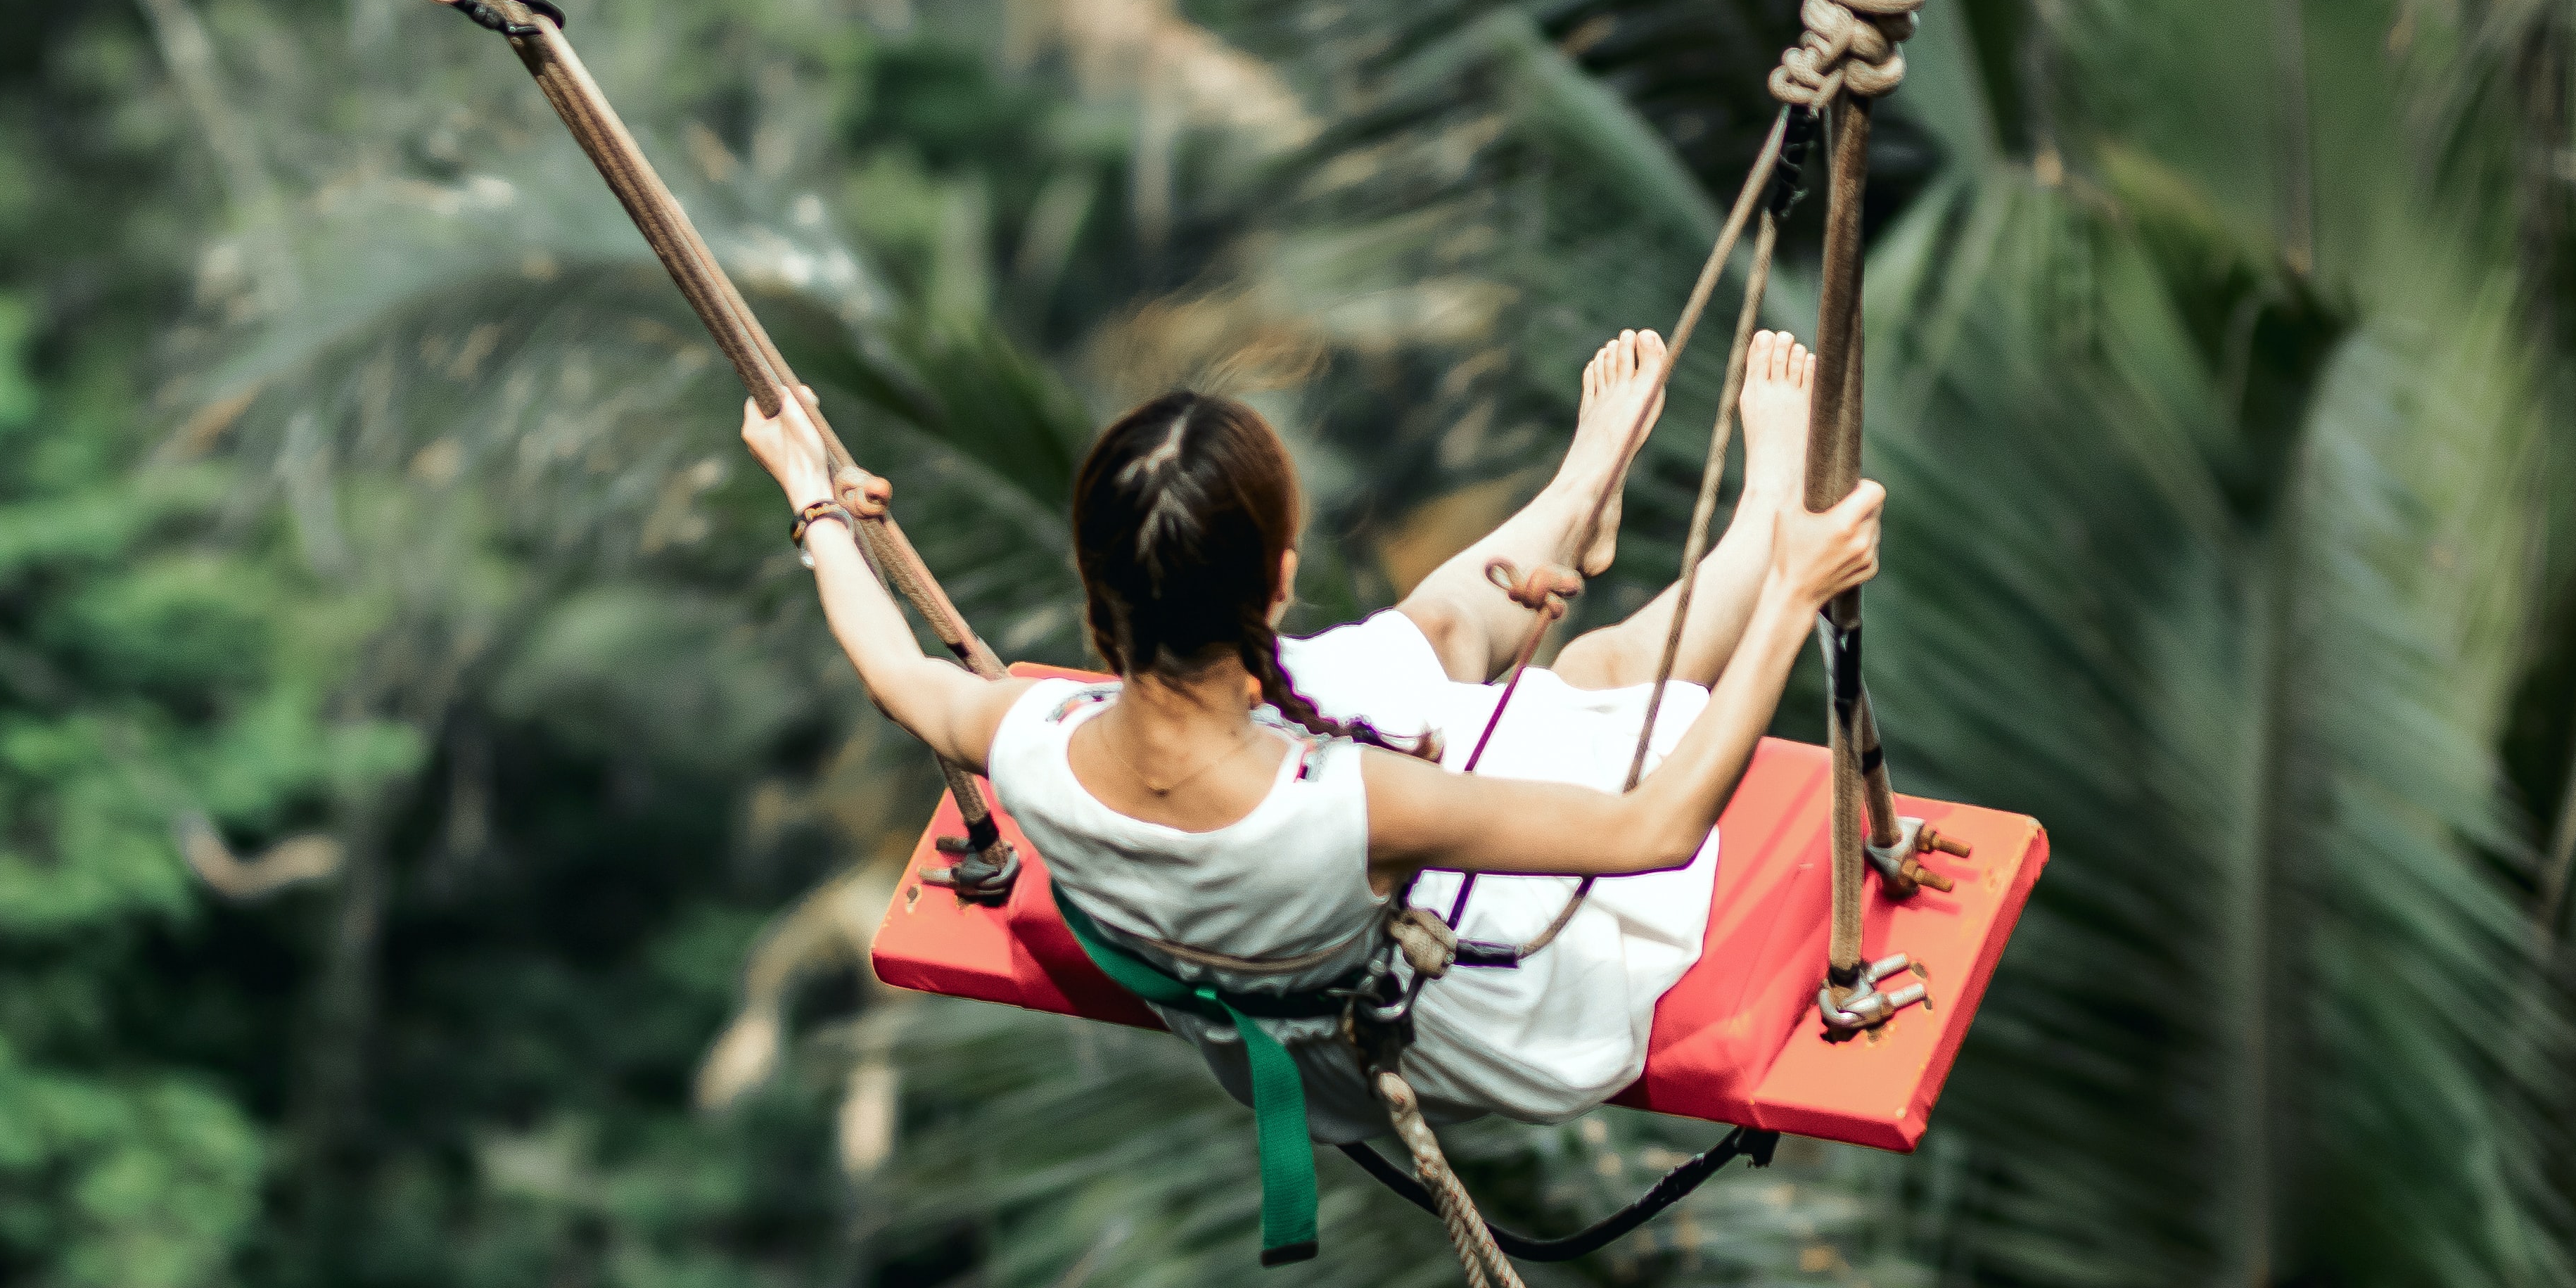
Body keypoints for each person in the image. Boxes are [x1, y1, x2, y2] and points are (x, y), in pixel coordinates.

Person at [741, 329, 1885, 1143]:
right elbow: (1653, 831)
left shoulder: (1031, 739)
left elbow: (897, 675)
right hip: (1450, 1033)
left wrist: (814, 502)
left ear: (1096, 600)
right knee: (1600, 674)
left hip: (1274, 1013)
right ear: (1280, 582)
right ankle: (1764, 523)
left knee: (1433, 637)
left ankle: (1577, 494)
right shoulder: (1356, 803)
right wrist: (1792, 599)